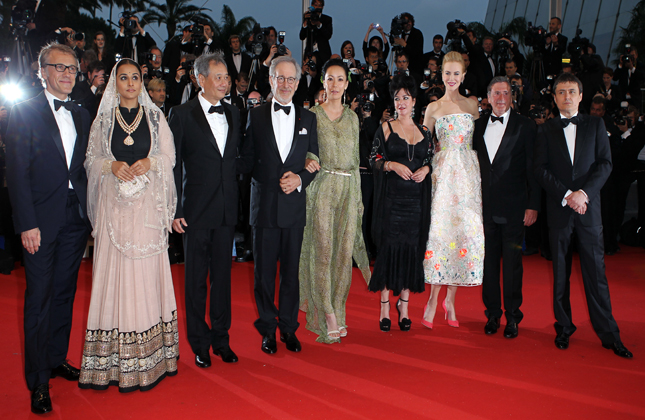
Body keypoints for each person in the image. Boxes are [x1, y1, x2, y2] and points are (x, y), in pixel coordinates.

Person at [78, 58, 179, 392]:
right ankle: (110, 362)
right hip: (113, 212)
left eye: (136, 77)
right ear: (115, 83)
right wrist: (111, 165)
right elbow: (91, 160)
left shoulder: (155, 117)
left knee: (145, 277)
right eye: (124, 78)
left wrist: (151, 162)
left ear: (142, 82)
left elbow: (170, 158)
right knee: (114, 276)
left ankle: (152, 360)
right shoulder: (104, 120)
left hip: (146, 212)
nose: (131, 83)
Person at [5, 43, 91, 414]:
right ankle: (38, 381)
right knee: (38, 301)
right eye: (60, 68)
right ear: (43, 71)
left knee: (63, 294)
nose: (68, 74)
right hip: (39, 222)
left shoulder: (82, 113)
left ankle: (56, 358)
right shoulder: (24, 113)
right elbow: (17, 175)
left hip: (75, 219)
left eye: (73, 69)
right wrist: (27, 224)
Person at [533, 72, 632, 358]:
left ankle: (609, 333)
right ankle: (563, 327)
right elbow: (540, 169)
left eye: (571, 91)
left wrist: (582, 194)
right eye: (561, 92)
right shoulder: (546, 129)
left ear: (580, 95)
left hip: (589, 209)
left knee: (596, 273)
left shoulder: (596, 124)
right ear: (554, 97)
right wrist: (566, 195)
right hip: (560, 209)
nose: (566, 96)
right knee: (560, 273)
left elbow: (605, 164)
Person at [239, 56, 319, 354]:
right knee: (263, 274)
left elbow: (314, 161)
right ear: (270, 80)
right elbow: (246, 159)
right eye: (280, 78)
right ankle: (268, 328)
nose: (285, 84)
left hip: (294, 208)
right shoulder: (256, 116)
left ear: (298, 84)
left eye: (291, 79)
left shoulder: (309, 119)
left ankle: (288, 328)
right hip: (264, 208)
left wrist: (299, 180)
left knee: (291, 273)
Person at [169, 52, 243, 367]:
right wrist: (174, 209)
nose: (225, 82)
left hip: (226, 209)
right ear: (201, 79)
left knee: (223, 279)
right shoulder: (181, 114)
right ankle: (199, 342)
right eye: (218, 77)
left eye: (227, 77)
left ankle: (221, 339)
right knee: (196, 280)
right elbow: (172, 166)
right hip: (194, 211)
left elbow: (238, 159)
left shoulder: (236, 113)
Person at [297, 59, 370, 343]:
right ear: (323, 82)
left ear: (347, 83)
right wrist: (307, 162)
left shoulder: (353, 118)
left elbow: (355, 160)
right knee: (323, 251)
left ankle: (338, 310)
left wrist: (359, 199)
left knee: (342, 255)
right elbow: (307, 152)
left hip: (349, 189)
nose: (335, 85)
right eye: (330, 79)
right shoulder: (311, 115)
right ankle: (326, 313)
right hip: (322, 189)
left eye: (340, 79)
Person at [473, 76, 539, 338]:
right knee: (488, 264)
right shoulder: (477, 127)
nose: (501, 98)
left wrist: (533, 205)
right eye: (496, 94)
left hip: (514, 208)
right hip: (484, 209)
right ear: (488, 98)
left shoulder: (526, 126)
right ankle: (492, 315)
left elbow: (533, 168)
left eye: (505, 93)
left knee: (512, 265)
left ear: (512, 97)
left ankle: (513, 317)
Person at [421, 51, 484, 329]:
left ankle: (451, 301)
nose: (451, 78)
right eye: (447, 73)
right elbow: (422, 145)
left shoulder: (473, 105)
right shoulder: (433, 108)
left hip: (468, 177)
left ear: (464, 76)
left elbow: (480, 140)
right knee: (441, 234)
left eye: (456, 73)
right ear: (441, 74)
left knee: (463, 235)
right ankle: (433, 299)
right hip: (443, 176)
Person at [369, 74, 433, 332]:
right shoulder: (386, 128)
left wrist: (427, 170)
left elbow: (431, 160)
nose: (401, 102)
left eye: (406, 97)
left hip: (416, 204)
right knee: (389, 251)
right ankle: (385, 305)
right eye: (397, 98)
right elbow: (373, 158)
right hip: (391, 203)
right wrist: (391, 164)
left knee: (410, 253)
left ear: (414, 101)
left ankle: (403, 306)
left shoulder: (425, 131)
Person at [300, 0, 333, 65]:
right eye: (315, 5)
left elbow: (328, 35)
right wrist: (305, 22)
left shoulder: (327, 19)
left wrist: (319, 25)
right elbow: (302, 36)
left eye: (319, 5)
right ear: (312, 6)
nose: (317, 7)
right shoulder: (309, 17)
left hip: (323, 54)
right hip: (310, 52)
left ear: (322, 7)